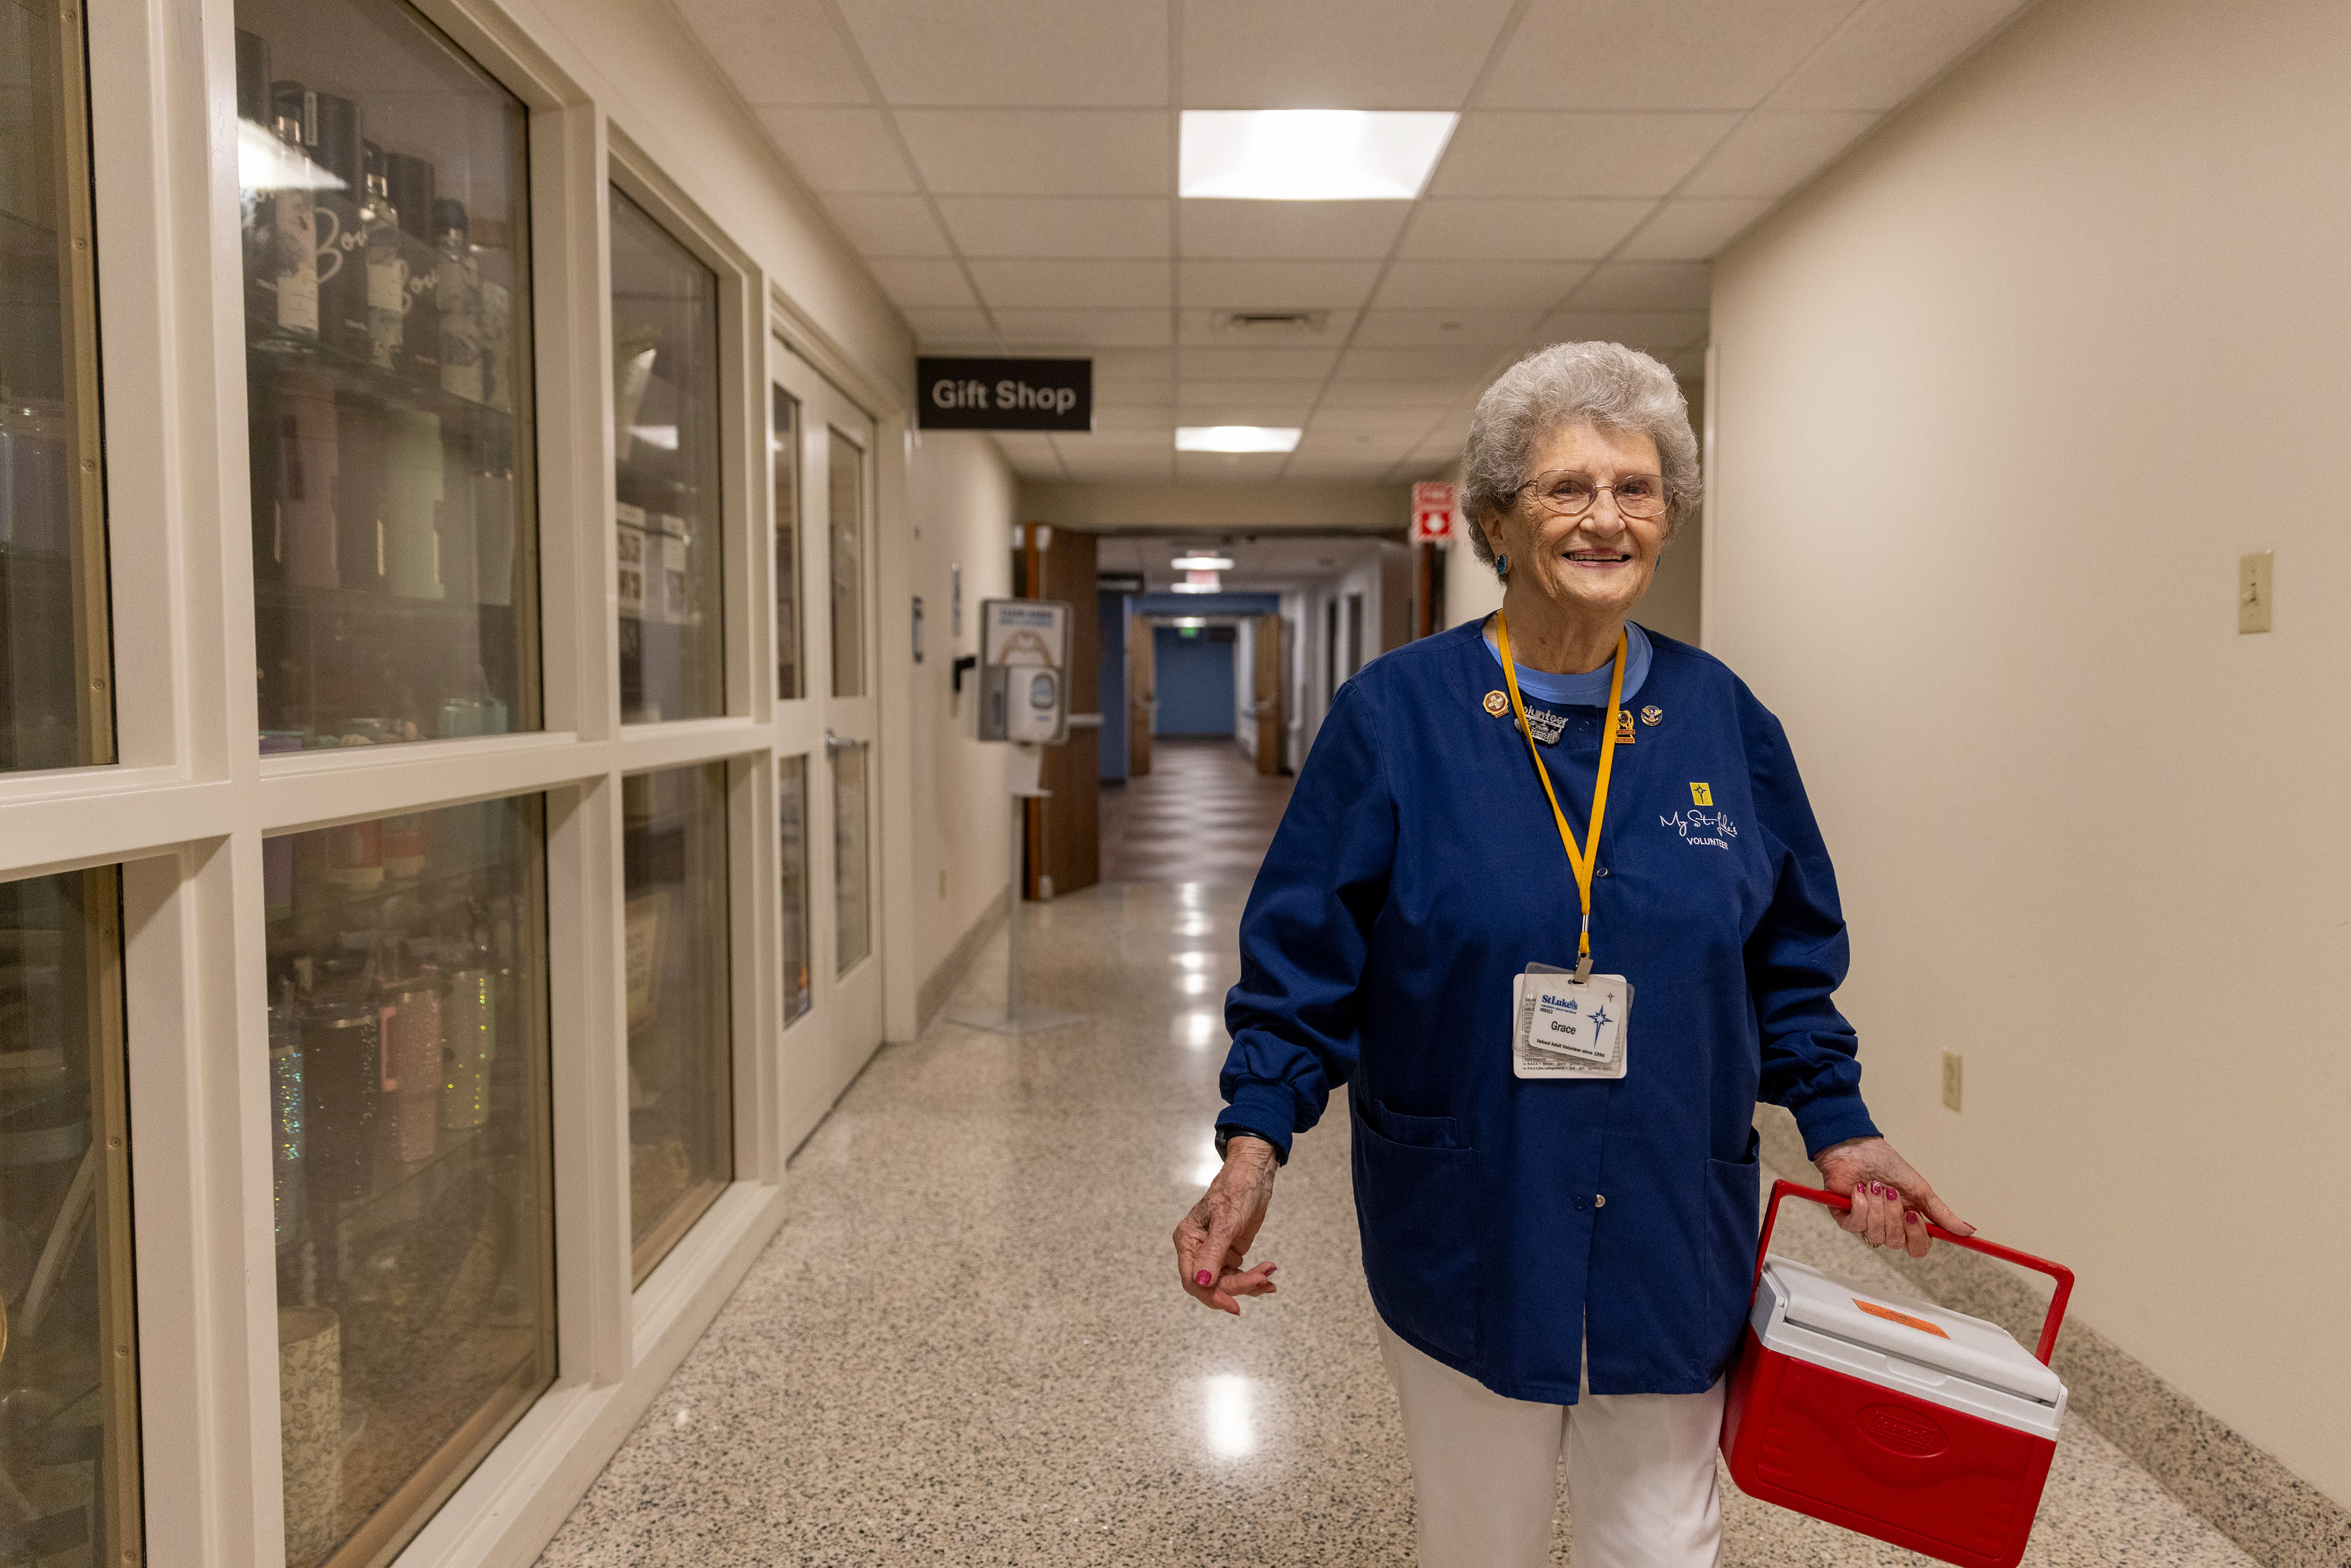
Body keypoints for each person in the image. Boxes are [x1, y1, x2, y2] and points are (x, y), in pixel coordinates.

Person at [1170, 340, 1974, 1568]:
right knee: (1478, 1544)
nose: (1607, 518)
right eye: (1566, 488)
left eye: (1637, 489)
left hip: (1668, 1213)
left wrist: (1842, 1125)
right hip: (1471, 1205)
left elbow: (1786, 965)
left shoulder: (1726, 722)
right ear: (1496, 519)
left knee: (1659, 1548)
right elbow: (1301, 962)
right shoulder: (1398, 717)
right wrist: (1252, 1147)